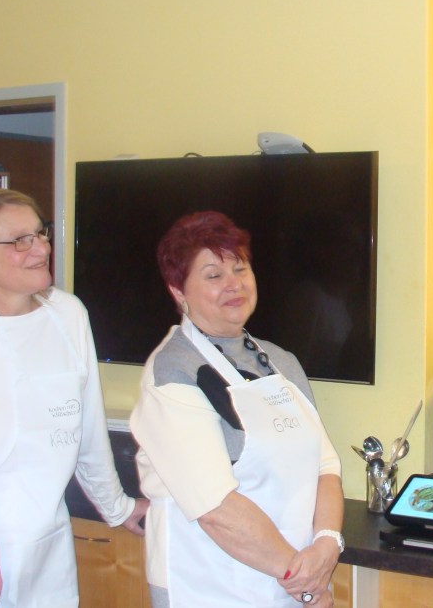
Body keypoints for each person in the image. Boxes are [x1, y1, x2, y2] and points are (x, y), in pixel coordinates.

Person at [0, 186, 148, 608]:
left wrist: (117, 507)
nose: (41, 248)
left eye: (40, 233)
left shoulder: (67, 313)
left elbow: (86, 428)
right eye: (18, 241)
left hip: (47, 549)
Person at [131, 210, 344, 608]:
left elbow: (325, 466)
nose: (234, 284)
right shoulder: (174, 371)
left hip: (290, 582)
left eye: (240, 268)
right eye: (213, 275)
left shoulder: (280, 361)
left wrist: (327, 544)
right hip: (211, 587)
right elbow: (215, 507)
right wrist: (305, 582)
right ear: (178, 292)